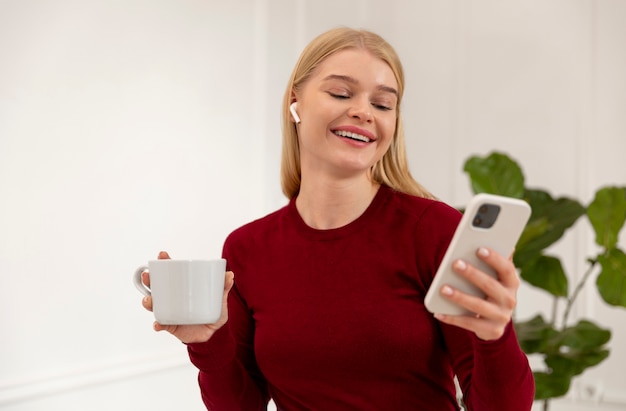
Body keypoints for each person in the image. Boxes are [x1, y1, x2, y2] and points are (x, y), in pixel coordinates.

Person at [141, 27, 535, 410]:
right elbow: (240, 405)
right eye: (341, 93)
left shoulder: (434, 230)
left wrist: (494, 337)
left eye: (383, 104)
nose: (363, 111)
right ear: (294, 103)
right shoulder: (247, 248)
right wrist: (207, 344)